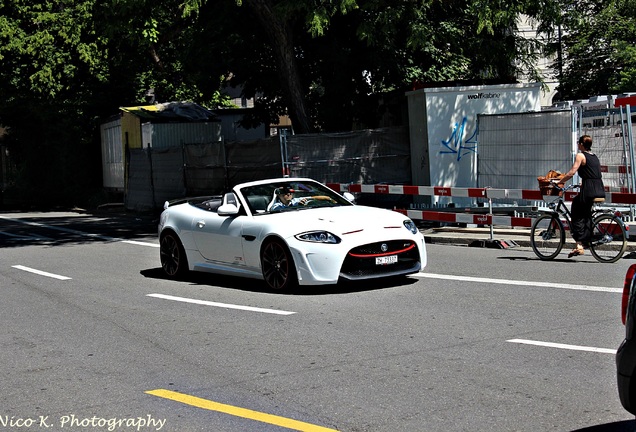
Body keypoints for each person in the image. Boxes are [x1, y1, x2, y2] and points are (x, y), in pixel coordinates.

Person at [557, 135, 605, 257]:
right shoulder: (594, 157)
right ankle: (584, 242)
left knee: (576, 211)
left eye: (579, 143)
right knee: (586, 214)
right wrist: (582, 183)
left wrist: (561, 181)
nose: (578, 145)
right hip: (599, 188)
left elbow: (573, 171)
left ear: (582, 145)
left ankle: (579, 244)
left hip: (588, 189)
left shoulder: (580, 155)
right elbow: (592, 173)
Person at [269, 186, 335, 211]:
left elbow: (314, 197)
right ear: (280, 195)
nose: (289, 194)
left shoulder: (296, 201)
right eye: (285, 192)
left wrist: (330, 199)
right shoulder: (276, 207)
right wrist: (298, 206)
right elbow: (284, 211)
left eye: (291, 192)